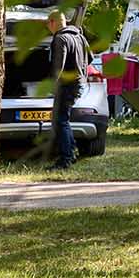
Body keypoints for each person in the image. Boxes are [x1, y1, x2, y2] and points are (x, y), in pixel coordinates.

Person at [45, 11, 90, 169]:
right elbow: (90, 57)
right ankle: (72, 151)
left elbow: (59, 65)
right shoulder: (79, 36)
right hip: (79, 83)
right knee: (64, 119)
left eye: (47, 24)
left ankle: (66, 159)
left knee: (59, 121)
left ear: (52, 22)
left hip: (66, 85)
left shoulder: (60, 38)